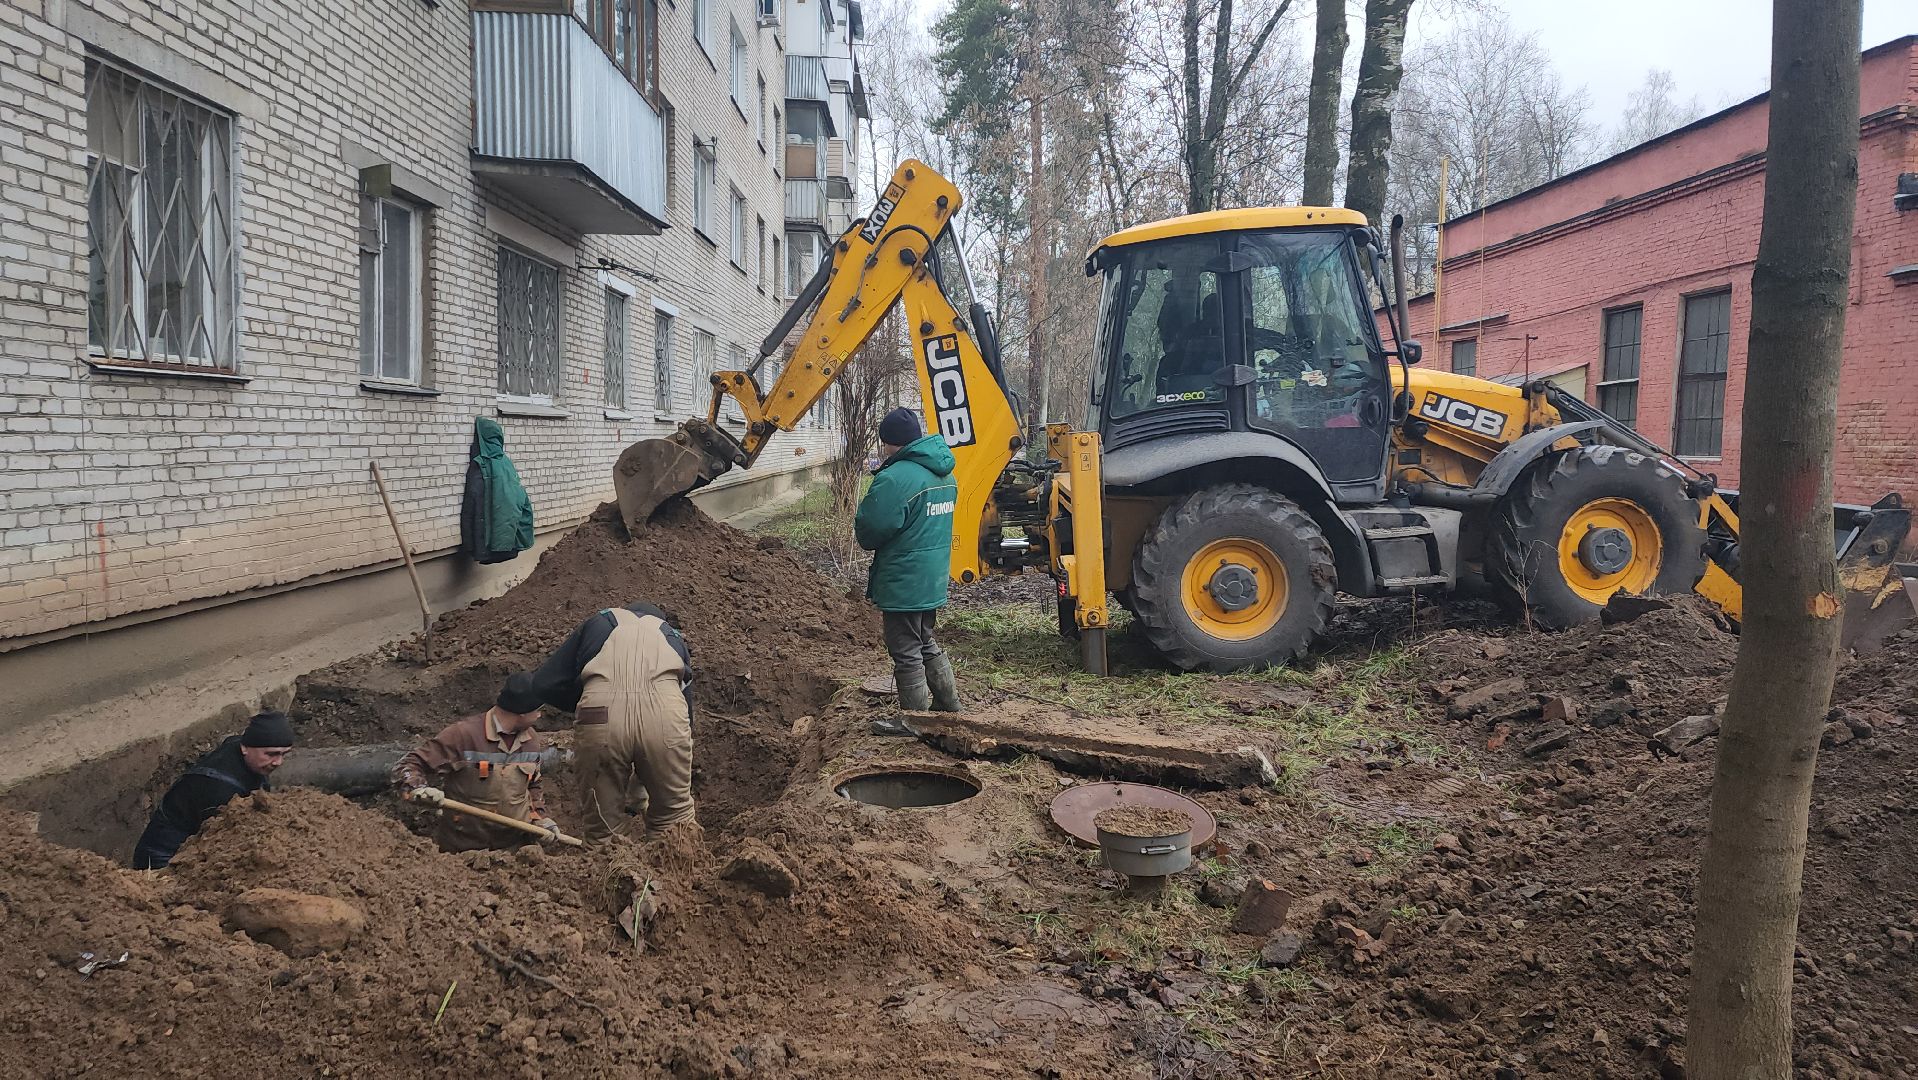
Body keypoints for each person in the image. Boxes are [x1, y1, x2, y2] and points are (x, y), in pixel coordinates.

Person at [503, 602, 695, 842]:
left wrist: (585, 703)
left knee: (604, 830)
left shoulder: (600, 622)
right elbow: (686, 714)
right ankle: (676, 874)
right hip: (667, 717)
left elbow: (543, 684)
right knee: (674, 821)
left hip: (599, 715)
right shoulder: (672, 636)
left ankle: (614, 873)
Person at [855, 407, 962, 731]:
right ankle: (948, 703)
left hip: (905, 578)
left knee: (904, 647)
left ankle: (915, 721)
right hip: (931, 577)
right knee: (924, 638)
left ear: (891, 443)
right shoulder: (944, 473)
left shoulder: (896, 477)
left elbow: (871, 529)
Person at [393, 680, 560, 852]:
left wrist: (540, 818)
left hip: (515, 853)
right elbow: (409, 764)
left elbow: (533, 785)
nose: (540, 715)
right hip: (463, 853)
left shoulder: (531, 741)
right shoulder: (463, 735)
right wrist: (419, 789)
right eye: (537, 710)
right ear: (521, 713)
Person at [132, 710, 295, 869]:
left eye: (283, 754)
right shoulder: (220, 789)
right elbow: (223, 849)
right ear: (245, 748)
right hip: (160, 860)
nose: (278, 762)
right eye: (271, 754)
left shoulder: (242, 749)